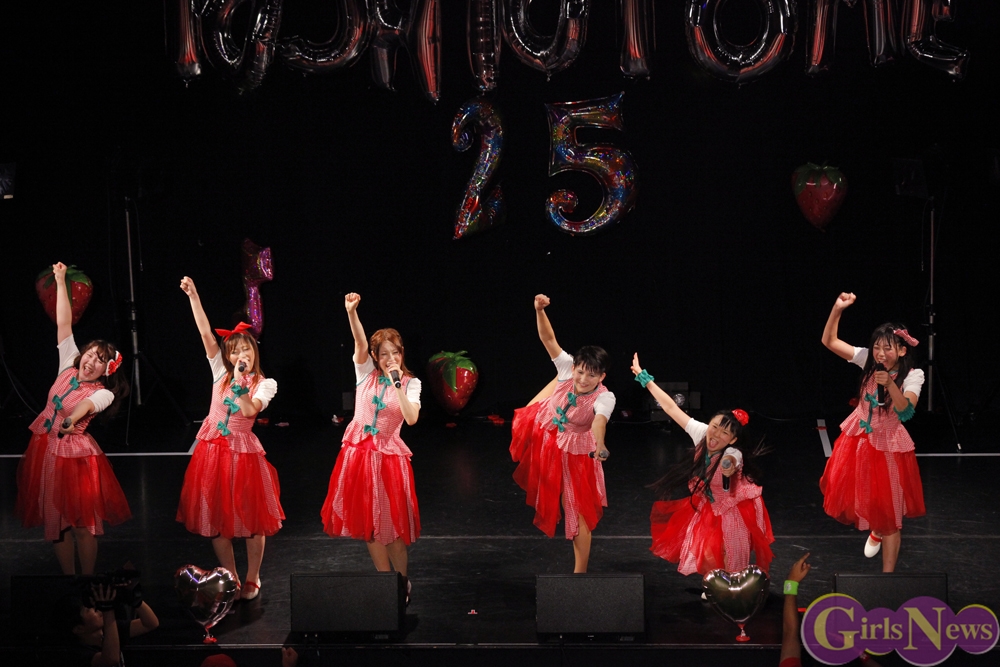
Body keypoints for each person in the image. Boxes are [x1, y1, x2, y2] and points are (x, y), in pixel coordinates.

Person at [15, 262, 131, 575]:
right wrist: (60, 279)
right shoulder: (68, 363)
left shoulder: (103, 393)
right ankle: (69, 581)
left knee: (82, 524)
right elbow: (63, 321)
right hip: (45, 448)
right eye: (90, 354)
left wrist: (71, 420)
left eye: (100, 361)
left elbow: (87, 407)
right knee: (57, 524)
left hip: (75, 457)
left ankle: (87, 580)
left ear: (106, 371)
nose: (91, 361)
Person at [176, 276, 282, 601]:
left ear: (254, 351)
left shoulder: (265, 383)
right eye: (234, 351)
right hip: (212, 453)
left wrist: (240, 385)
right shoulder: (220, 372)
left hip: (243, 453)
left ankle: (252, 577)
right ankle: (231, 576)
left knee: (251, 521)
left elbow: (249, 411)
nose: (240, 355)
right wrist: (194, 295)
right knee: (216, 521)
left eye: (245, 349)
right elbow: (205, 332)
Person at [632, 353, 774, 578]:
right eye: (715, 426)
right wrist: (645, 379)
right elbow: (671, 408)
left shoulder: (733, 452)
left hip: (735, 507)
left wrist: (728, 466)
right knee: (709, 547)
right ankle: (716, 585)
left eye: (725, 433)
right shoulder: (702, 432)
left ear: (733, 439)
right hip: (711, 502)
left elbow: (731, 460)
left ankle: (734, 587)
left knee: (733, 552)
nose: (716, 434)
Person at [321, 293, 421, 602]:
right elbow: (360, 342)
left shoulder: (411, 384)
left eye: (395, 353)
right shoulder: (365, 374)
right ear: (375, 357)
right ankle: (384, 583)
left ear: (402, 354)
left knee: (391, 530)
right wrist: (352, 313)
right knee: (370, 527)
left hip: (389, 460)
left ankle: (401, 581)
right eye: (384, 354)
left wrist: (397, 384)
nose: (390, 358)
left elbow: (411, 418)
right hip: (359, 458)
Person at [819, 292, 925, 572]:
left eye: (887, 348)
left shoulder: (913, 376)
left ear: (902, 351)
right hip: (858, 440)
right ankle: (876, 529)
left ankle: (887, 578)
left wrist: (889, 385)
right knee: (865, 497)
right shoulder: (867, 360)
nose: (880, 353)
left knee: (890, 513)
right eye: (877, 347)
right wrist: (837, 309)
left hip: (889, 444)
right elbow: (829, 341)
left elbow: (906, 411)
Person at [509, 294, 614, 573]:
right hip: (546, 426)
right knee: (523, 416)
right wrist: (539, 310)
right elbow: (548, 339)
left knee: (576, 510)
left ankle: (580, 574)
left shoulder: (605, 397)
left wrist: (600, 444)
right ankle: (551, 390)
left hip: (576, 447)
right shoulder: (568, 367)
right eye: (581, 372)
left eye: (592, 376)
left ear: (602, 377)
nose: (584, 379)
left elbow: (599, 421)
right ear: (575, 366)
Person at [54, 581, 159, 667]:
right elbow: (110, 659)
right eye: (90, 609)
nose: (98, 609)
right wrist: (108, 609)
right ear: (78, 629)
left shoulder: (109, 630)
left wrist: (133, 598)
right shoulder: (77, 653)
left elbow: (150, 623)